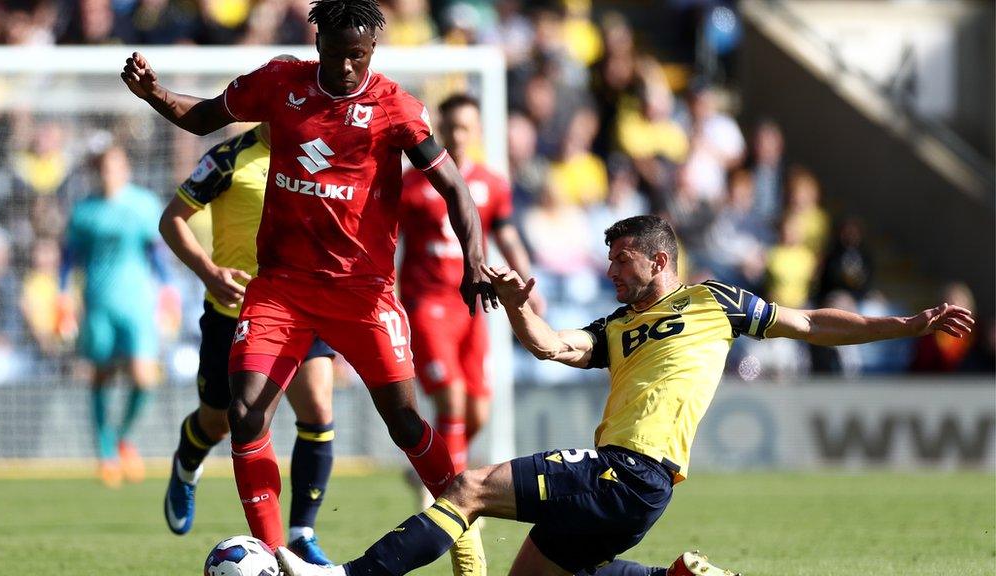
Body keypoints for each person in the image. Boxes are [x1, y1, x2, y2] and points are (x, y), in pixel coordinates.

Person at [275, 214, 974, 576]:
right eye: (608, 260)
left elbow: (812, 322)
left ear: (659, 260)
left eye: (621, 260)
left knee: (466, 486)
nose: (610, 272)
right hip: (632, 488)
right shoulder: (618, 327)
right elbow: (552, 345)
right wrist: (520, 306)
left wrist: (905, 322)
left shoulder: (715, 301)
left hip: (632, 470)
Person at [120, 1, 496, 571]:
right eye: (337, 53)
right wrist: (154, 92)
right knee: (247, 413)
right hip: (282, 288)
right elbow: (204, 117)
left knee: (403, 421)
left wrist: (476, 260)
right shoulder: (280, 83)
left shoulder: (395, 107)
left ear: (372, 52)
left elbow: (455, 188)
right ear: (316, 42)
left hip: (362, 291)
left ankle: (461, 518)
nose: (347, 67)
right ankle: (277, 556)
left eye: (359, 56)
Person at [158, 121, 337, 565]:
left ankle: (300, 535)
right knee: (219, 422)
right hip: (232, 315)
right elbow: (171, 220)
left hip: (299, 310)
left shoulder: (317, 154)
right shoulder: (227, 159)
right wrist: (208, 272)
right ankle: (187, 459)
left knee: (317, 409)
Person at [398, 93, 542, 492]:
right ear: (440, 130)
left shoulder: (492, 184)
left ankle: (430, 471)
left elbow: (507, 235)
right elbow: (387, 238)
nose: (459, 136)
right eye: (452, 127)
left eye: (466, 127)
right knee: (452, 398)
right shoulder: (411, 184)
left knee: (478, 409)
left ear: (478, 131)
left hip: (474, 305)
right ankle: (454, 496)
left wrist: (528, 281)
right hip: (426, 303)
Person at [60, 142, 175, 488]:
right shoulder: (84, 211)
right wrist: (62, 295)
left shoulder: (143, 205)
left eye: (114, 166)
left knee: (143, 377)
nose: (108, 173)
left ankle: (122, 436)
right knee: (101, 376)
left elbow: (156, 253)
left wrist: (168, 291)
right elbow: (69, 258)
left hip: (137, 302)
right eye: (102, 168)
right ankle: (106, 452)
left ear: (125, 168)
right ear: (96, 172)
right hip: (97, 302)